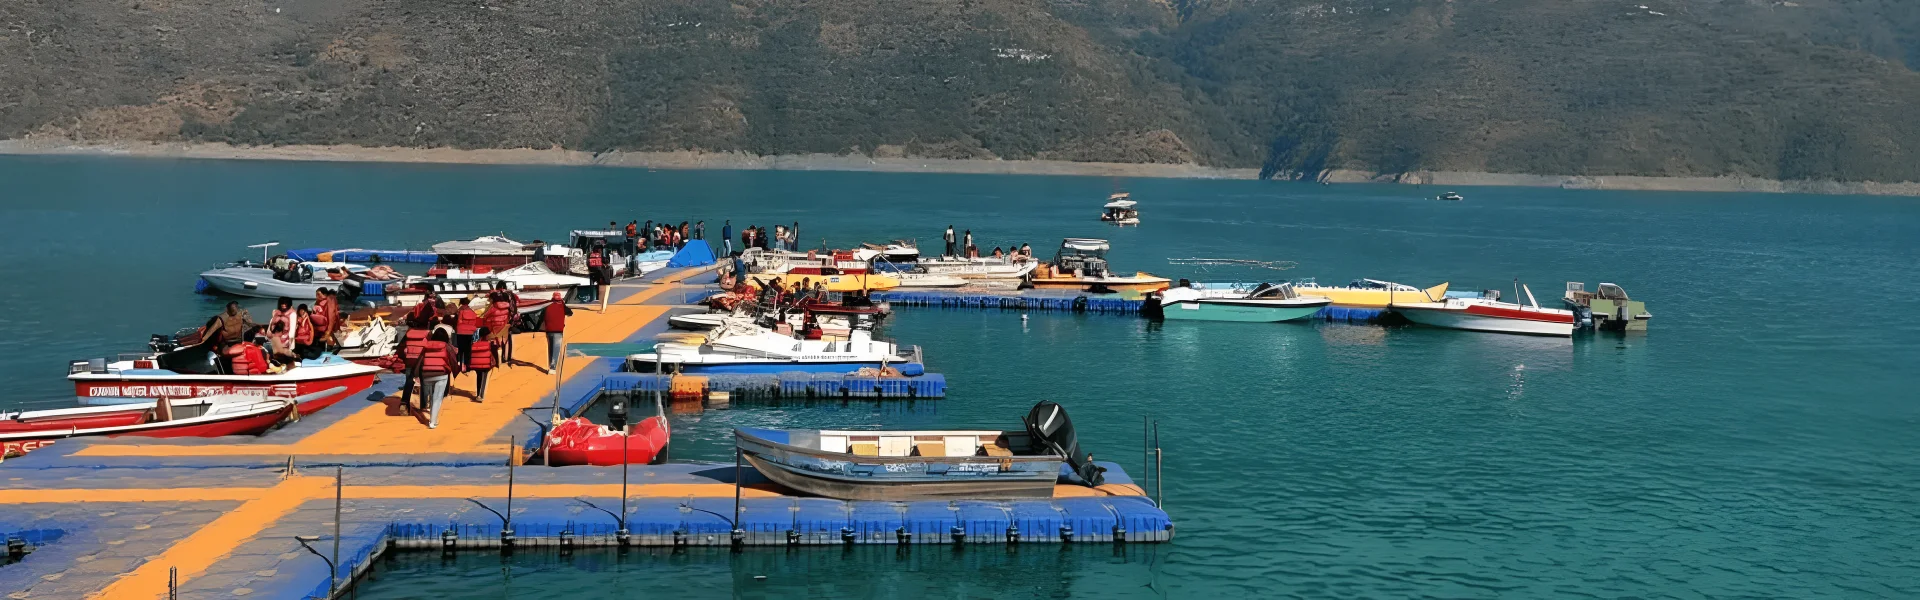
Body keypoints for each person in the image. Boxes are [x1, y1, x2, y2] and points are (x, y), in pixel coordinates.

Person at [414, 328, 459, 429]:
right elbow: (453, 360)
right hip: (441, 375)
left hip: (426, 374)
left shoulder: (427, 346)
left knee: (429, 395)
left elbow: (420, 359)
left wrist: (416, 374)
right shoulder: (447, 347)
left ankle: (428, 410)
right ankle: (432, 421)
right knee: (437, 398)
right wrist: (455, 372)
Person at [485, 282, 517, 367]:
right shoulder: (507, 303)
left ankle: (499, 360)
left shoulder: (493, 307)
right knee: (505, 341)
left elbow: (486, 315)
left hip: (496, 325)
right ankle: (506, 358)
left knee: (498, 342)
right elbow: (514, 308)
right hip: (505, 323)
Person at [542, 292, 572, 373]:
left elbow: (541, 315)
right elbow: (570, 313)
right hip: (558, 330)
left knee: (550, 347)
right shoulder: (562, 305)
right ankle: (553, 367)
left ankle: (550, 364)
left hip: (548, 330)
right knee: (556, 349)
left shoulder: (547, 305)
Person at [467, 327, 496, 403]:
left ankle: (478, 394)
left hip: (476, 363)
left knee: (479, 378)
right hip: (485, 363)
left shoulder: (474, 342)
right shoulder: (488, 343)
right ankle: (481, 395)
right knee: (484, 379)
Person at [454, 298, 480, 364]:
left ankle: (459, 363)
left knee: (460, 348)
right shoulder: (472, 311)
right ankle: (467, 364)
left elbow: (458, 320)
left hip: (460, 331)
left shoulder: (460, 310)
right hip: (470, 332)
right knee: (468, 349)